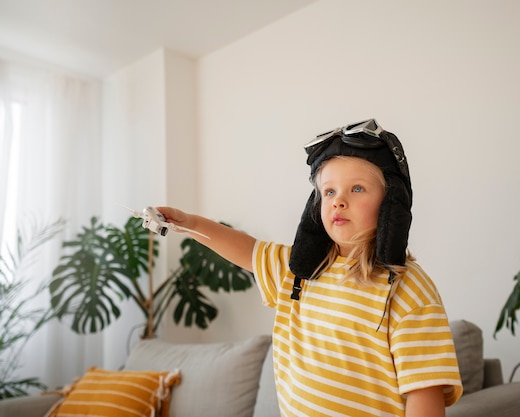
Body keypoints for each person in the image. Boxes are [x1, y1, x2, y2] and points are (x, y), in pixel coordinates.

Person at [157, 119, 463, 417]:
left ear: (390, 205)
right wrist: (192, 223)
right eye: (329, 192)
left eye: (357, 189)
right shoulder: (299, 273)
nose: (338, 201)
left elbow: (424, 393)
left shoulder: (407, 289)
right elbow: (248, 251)